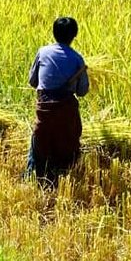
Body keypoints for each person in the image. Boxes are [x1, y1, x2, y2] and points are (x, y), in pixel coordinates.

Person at [25, 17, 89, 187]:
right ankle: (66, 181)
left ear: (54, 33)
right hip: (66, 109)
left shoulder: (43, 51)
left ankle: (29, 178)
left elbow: (32, 82)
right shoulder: (77, 59)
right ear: (74, 35)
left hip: (44, 108)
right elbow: (82, 91)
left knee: (37, 142)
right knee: (70, 141)